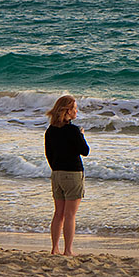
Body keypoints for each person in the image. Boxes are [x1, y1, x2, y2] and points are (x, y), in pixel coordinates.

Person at [44, 95, 90, 256]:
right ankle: (68, 250)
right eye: (75, 108)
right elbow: (85, 151)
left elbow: (48, 154)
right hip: (72, 172)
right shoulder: (72, 130)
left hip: (56, 173)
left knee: (58, 213)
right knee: (70, 214)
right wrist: (81, 135)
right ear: (68, 111)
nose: (77, 111)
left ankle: (54, 248)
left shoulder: (50, 131)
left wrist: (56, 168)